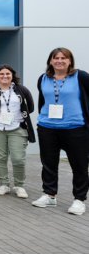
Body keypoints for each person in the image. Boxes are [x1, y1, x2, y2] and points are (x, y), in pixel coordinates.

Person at [32, 48, 89, 215]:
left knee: (79, 165)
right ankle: (49, 195)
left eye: (64, 58)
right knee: (48, 163)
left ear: (70, 61)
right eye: (56, 58)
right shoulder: (43, 78)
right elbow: (44, 101)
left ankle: (79, 199)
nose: (59, 61)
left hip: (75, 128)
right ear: (50, 61)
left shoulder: (81, 77)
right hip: (47, 127)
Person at [0, 64, 35, 199]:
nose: (5, 76)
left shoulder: (21, 90)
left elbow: (31, 107)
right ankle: (4, 184)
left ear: (12, 76)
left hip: (17, 128)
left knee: (18, 158)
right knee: (0, 157)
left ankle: (19, 185)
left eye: (8, 74)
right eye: (1, 74)